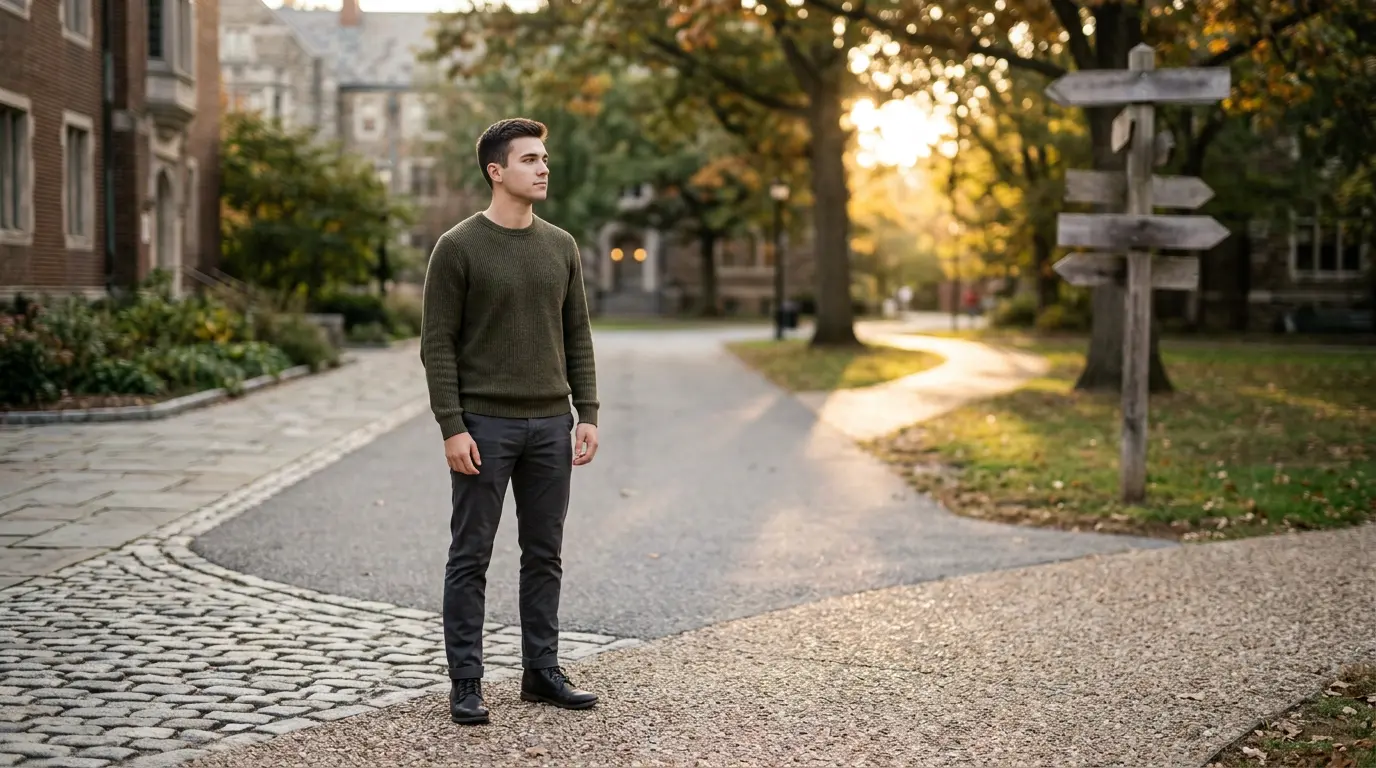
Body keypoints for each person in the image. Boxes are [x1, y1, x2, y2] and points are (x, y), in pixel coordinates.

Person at [419, 117, 601, 726]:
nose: (543, 168)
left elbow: (577, 334)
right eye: (529, 160)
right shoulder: (458, 247)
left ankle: (540, 671)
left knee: (544, 553)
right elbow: (437, 344)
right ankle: (466, 681)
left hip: (552, 423)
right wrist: (452, 424)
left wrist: (588, 413)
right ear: (496, 171)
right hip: (484, 426)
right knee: (470, 554)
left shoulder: (562, 246)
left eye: (544, 158)